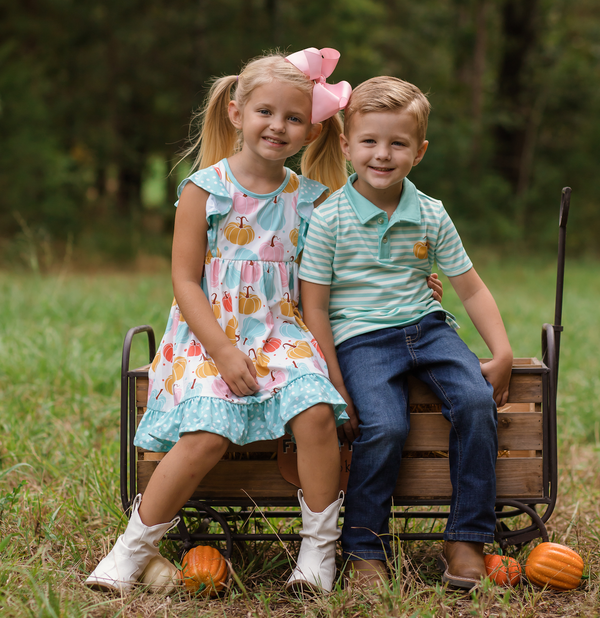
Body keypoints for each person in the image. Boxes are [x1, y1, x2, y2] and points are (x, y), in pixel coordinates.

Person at [85, 48, 356, 596]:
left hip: (283, 334)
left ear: (311, 130)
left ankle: (316, 553)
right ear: (236, 112)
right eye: (265, 112)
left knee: (317, 413)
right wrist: (225, 352)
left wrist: (419, 280)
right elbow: (186, 282)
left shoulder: (310, 201)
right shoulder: (204, 190)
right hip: (208, 335)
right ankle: (131, 550)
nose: (277, 126)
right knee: (207, 432)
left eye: (294, 117)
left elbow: (329, 282)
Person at [299, 76, 513, 590]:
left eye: (398, 143)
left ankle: (465, 538)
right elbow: (315, 308)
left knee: (474, 402)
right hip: (360, 339)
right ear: (347, 145)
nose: (382, 154)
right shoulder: (328, 219)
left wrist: (501, 351)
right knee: (387, 426)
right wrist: (335, 380)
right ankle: (364, 547)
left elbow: (471, 288)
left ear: (419, 152)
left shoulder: (431, 214)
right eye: (369, 141)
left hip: (427, 327)